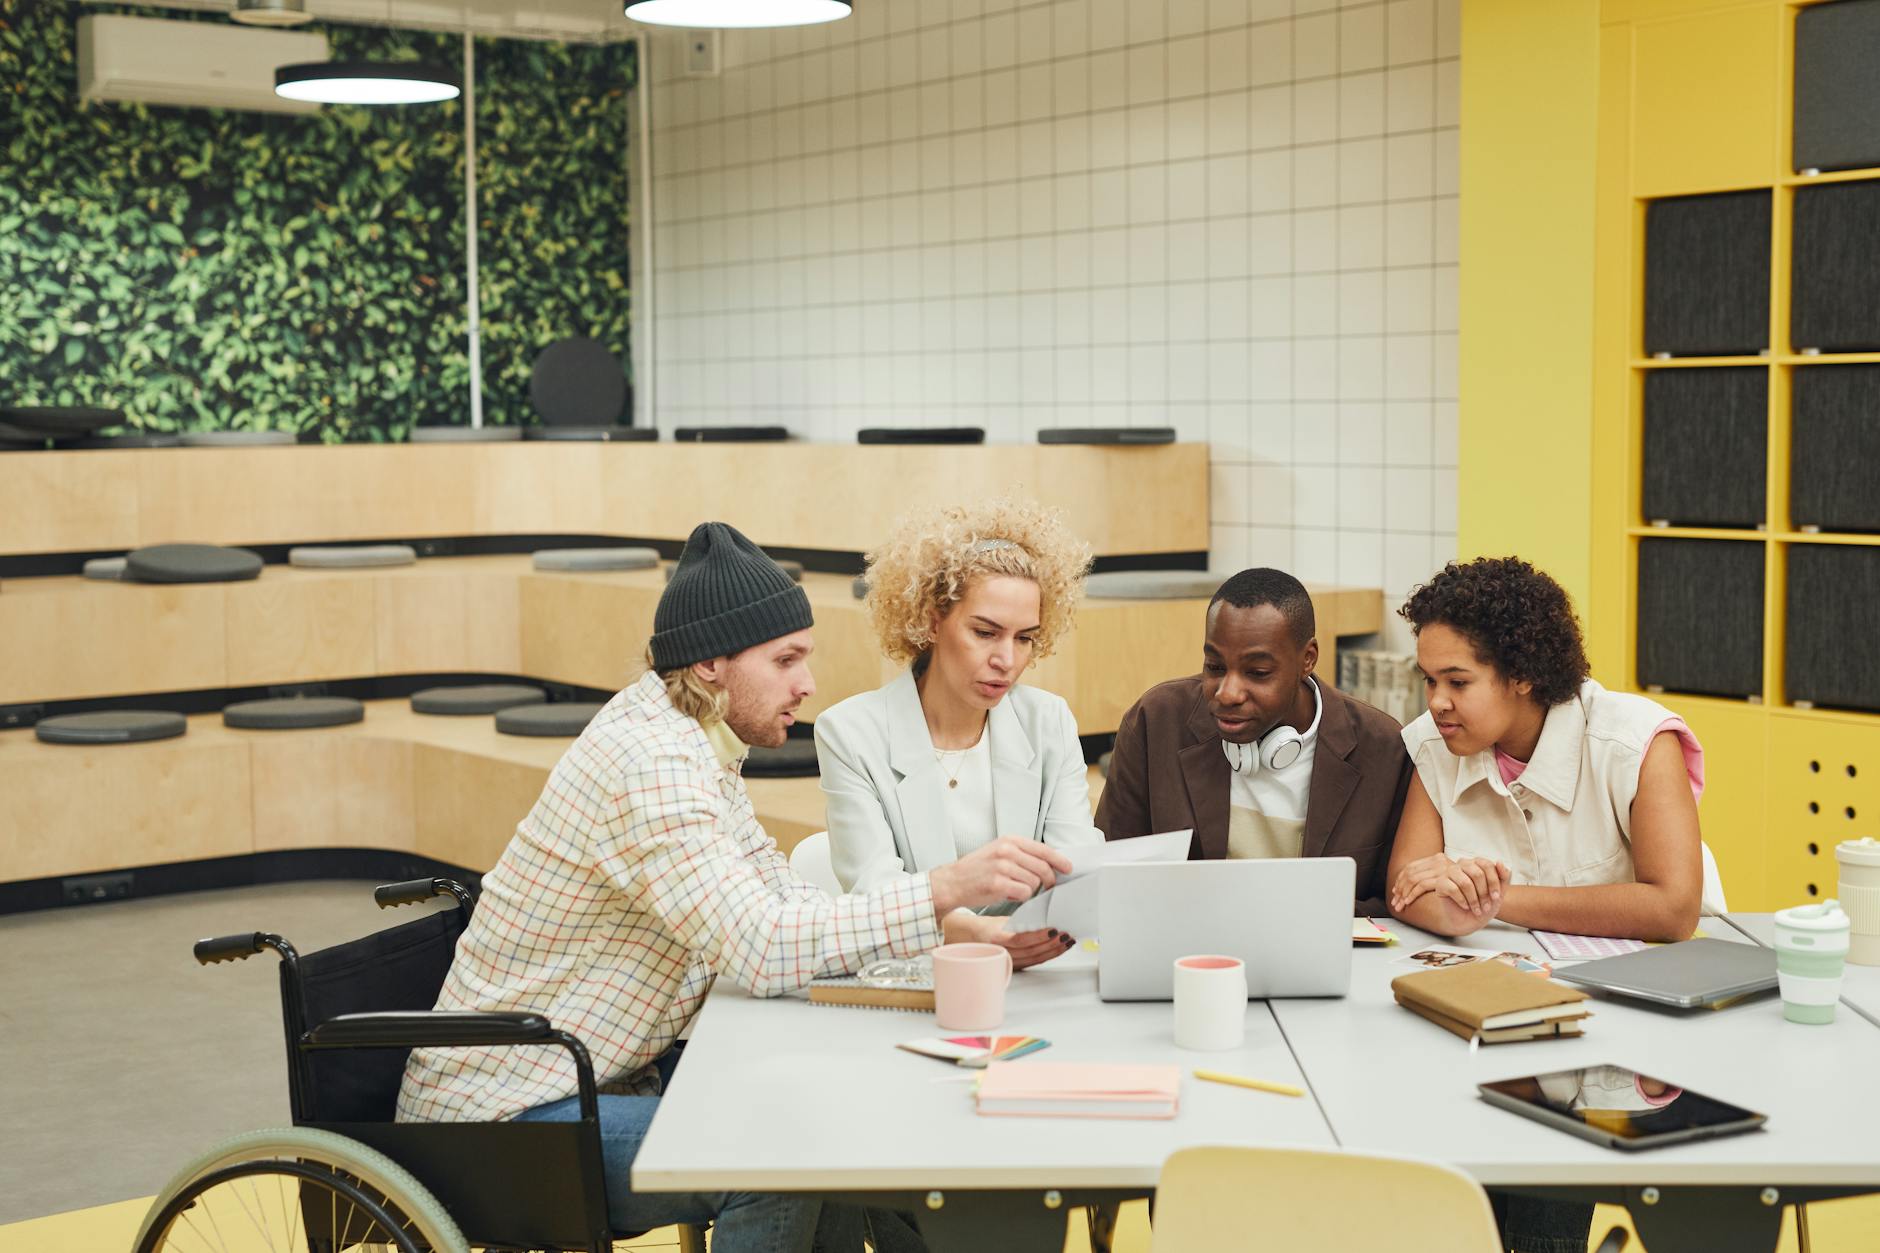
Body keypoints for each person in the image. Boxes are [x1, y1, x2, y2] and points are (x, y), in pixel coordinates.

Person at [396, 522, 1072, 1253]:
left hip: (600, 1079)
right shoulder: (652, 763)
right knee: (775, 1149)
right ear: (713, 662)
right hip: (506, 1117)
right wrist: (941, 889)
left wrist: (946, 925)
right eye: (786, 660)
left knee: (826, 1109)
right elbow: (760, 945)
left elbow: (784, 903)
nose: (807, 683)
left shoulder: (699, 748)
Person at [815, 498, 1098, 970]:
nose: (1006, 660)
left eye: (1025, 637)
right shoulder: (850, 733)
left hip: (1039, 975)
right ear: (931, 619)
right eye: (985, 632)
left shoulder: (1049, 722)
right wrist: (973, 934)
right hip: (919, 973)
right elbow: (875, 896)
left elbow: (1076, 868)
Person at [1387, 556, 1711, 945]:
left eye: (1457, 682)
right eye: (1429, 679)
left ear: (1522, 674)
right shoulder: (1432, 739)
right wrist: (1452, 915)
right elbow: (1404, 890)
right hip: (1498, 975)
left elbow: (1673, 910)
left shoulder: (1637, 741)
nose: (1437, 702)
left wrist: (1492, 899)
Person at [1095, 568, 1413, 915]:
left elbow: (1395, 903)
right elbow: (1111, 876)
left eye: (1257, 673)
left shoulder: (1383, 749)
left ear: (1307, 659)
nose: (1227, 693)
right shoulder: (1155, 722)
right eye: (1214, 667)